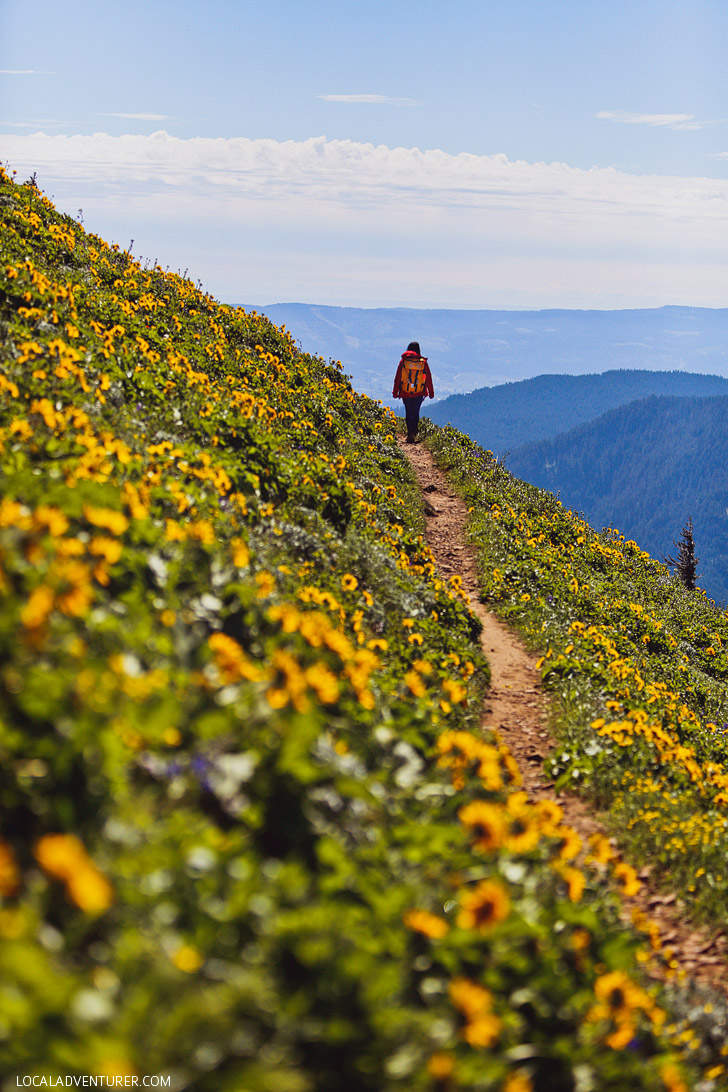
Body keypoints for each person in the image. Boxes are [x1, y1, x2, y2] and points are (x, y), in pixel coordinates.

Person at [392, 341, 434, 443]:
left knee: (408, 412)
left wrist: (395, 392)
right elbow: (428, 378)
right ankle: (414, 433)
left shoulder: (403, 362)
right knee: (415, 412)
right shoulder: (422, 362)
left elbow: (398, 377)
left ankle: (409, 433)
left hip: (405, 391)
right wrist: (431, 392)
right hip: (419, 392)